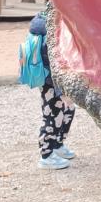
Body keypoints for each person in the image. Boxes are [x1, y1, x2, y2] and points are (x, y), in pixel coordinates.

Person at [30, 11, 77, 169]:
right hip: (50, 81)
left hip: (55, 79)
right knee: (52, 114)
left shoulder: (50, 21)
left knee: (68, 109)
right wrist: (60, 92)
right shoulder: (51, 29)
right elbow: (53, 64)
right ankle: (46, 155)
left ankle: (57, 144)